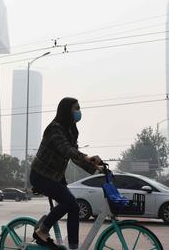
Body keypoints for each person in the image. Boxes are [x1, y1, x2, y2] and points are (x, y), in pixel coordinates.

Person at [30, 97, 103, 250]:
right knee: (69, 203)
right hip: (41, 175)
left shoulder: (71, 131)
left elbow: (74, 156)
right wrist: (86, 157)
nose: (79, 112)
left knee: (74, 207)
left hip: (55, 177)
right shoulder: (55, 128)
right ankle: (42, 229)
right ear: (66, 111)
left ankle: (73, 247)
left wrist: (95, 167)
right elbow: (66, 150)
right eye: (76, 108)